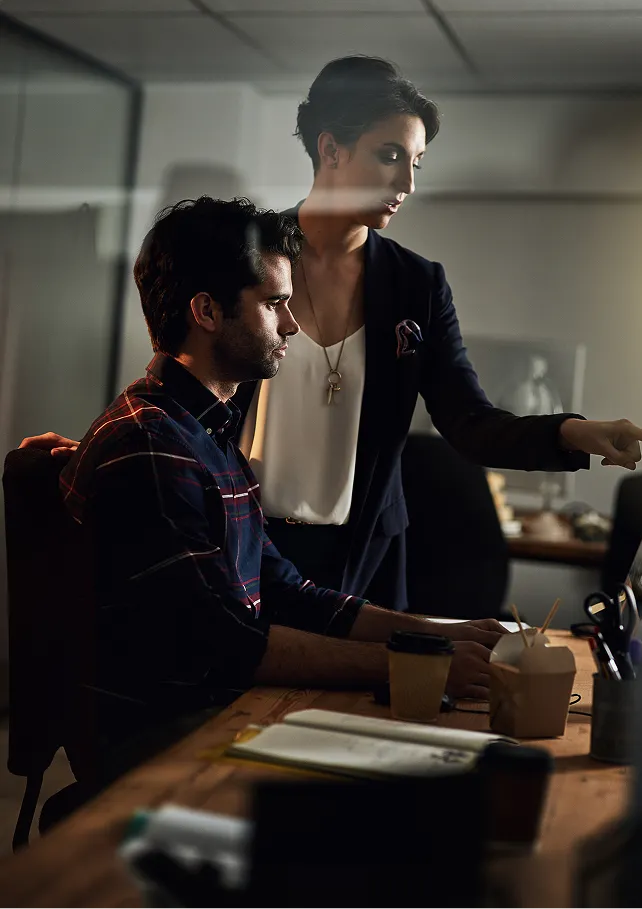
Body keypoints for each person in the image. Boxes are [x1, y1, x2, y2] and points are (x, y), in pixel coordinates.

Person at [23, 56, 642, 613]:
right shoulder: (247, 251)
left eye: (417, 162)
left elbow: (470, 421)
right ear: (331, 148)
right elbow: (189, 373)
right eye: (390, 155)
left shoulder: (417, 285)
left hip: (362, 551)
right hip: (245, 536)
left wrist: (572, 432)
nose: (407, 183)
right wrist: (102, 451)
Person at [58, 196, 509, 760]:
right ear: (206, 312)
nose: (293, 325)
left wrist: (435, 634)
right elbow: (230, 643)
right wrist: (418, 662)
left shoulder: (208, 434)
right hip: (167, 739)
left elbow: (286, 591)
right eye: (274, 304)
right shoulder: (151, 446)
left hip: (219, 708)